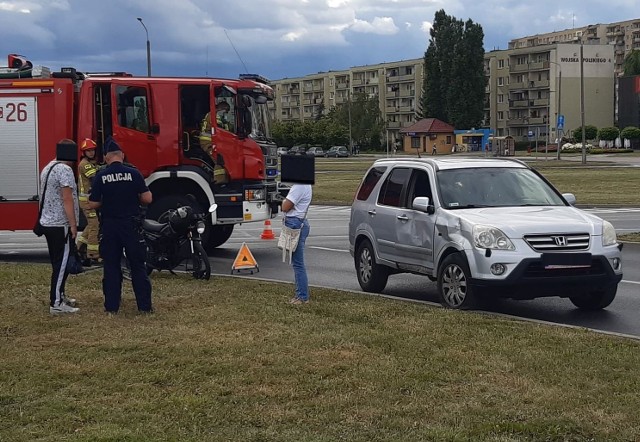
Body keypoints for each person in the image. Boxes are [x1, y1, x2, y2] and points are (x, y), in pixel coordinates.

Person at [88, 137, 153, 314]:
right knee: (138, 266)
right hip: (131, 226)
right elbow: (147, 198)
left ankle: (112, 307)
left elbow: (92, 204)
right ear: (122, 156)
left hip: (110, 227)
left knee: (111, 266)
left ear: (107, 158)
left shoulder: (101, 176)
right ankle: (145, 307)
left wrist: (105, 201)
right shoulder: (134, 173)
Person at [40, 139, 81, 314]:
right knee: (62, 264)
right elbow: (67, 198)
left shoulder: (48, 167)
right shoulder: (65, 170)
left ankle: (60, 294)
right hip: (60, 224)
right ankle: (56, 303)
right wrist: (73, 224)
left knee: (58, 262)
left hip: (48, 222)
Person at [281, 183, 312, 304]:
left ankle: (302, 296)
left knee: (298, 264)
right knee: (296, 262)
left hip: (295, 223)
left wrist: (284, 202)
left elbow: (285, 206)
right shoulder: (306, 185)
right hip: (300, 221)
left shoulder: (299, 186)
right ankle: (300, 293)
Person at [76, 138, 101, 265]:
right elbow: (95, 177)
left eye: (92, 150)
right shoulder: (85, 164)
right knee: (94, 225)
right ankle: (92, 254)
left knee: (91, 225)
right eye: (88, 151)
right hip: (87, 201)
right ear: (84, 152)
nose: (91, 153)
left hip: (88, 200)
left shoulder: (90, 163)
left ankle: (78, 246)